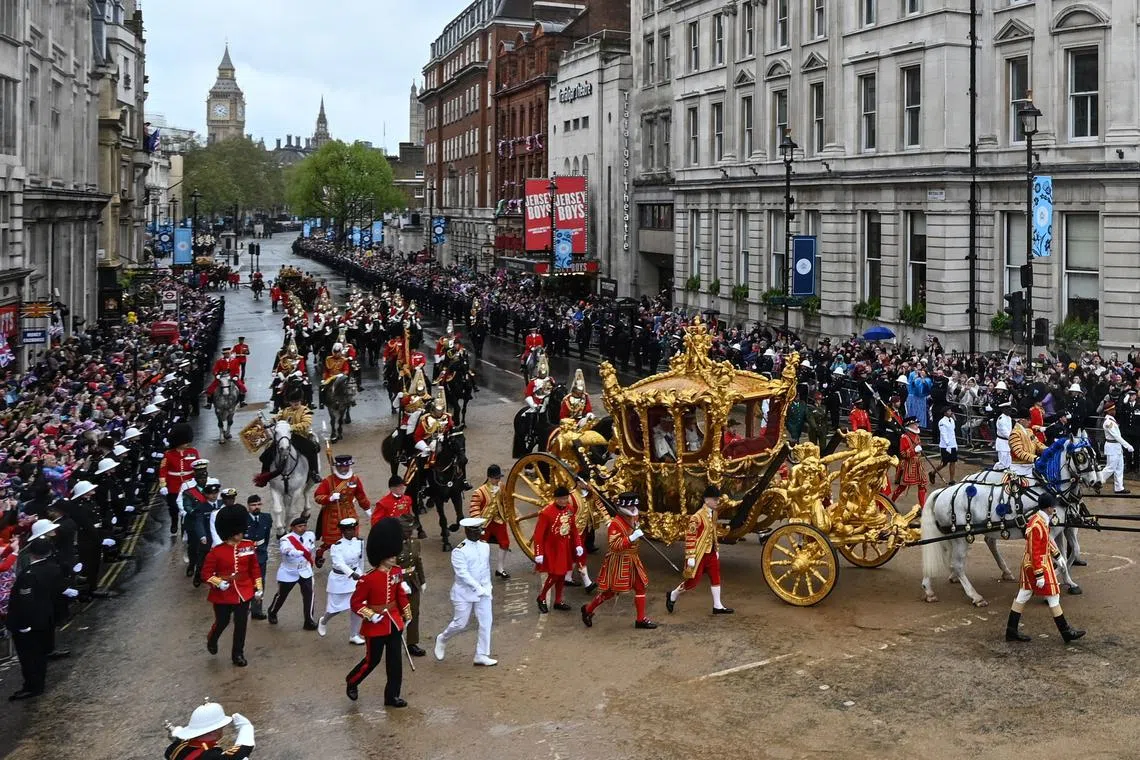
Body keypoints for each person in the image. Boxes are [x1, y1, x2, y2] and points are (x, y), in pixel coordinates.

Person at [345, 517, 411, 706]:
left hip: (394, 622)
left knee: (395, 663)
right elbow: (356, 603)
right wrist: (371, 615)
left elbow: (400, 595)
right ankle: (352, 680)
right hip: (376, 625)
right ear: (381, 556)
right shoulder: (368, 579)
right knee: (372, 660)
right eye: (390, 556)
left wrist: (406, 614)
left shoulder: (396, 572)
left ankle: (392, 696)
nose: (394, 558)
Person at [1004, 493, 1086, 644]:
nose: (1054, 509)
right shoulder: (1037, 524)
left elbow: (1046, 542)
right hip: (1038, 565)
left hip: (1036, 564)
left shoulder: (1040, 520)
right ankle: (1065, 631)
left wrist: (1058, 556)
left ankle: (1011, 630)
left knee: (1023, 595)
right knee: (1053, 595)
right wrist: (1040, 575)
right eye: (1052, 507)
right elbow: (1035, 551)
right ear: (1049, 508)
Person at [6, 521, 75, 700]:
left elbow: (26, 601)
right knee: (40, 654)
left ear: (31, 553)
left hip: (31, 623)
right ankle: (38, 683)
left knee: (30, 657)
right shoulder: (52, 567)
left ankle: (33, 686)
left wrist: (23, 624)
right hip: (45, 617)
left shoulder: (29, 575)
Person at [581, 492, 656, 630]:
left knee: (640, 587)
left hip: (632, 558)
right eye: (631, 505)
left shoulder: (634, 517)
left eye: (635, 505)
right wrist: (631, 538)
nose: (634, 508)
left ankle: (640, 619)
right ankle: (588, 609)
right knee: (609, 592)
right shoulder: (615, 524)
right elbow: (615, 546)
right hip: (619, 561)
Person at [201, 505, 262, 667]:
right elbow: (206, 574)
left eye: (241, 532)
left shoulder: (248, 546)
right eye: (236, 533)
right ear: (229, 533)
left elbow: (254, 569)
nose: (240, 535)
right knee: (223, 621)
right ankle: (212, 638)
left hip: (244, 591)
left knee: (241, 624)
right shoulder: (216, 552)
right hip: (223, 595)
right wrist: (218, 582)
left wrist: (258, 588)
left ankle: (238, 654)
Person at [434, 516, 496, 666]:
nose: (477, 533)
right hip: (464, 593)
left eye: (478, 529)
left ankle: (481, 654)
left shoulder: (484, 546)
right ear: (467, 532)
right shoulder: (459, 551)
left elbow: (485, 568)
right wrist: (478, 588)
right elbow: (463, 574)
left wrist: (488, 587)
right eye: (473, 530)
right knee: (460, 623)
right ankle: (442, 638)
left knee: (486, 622)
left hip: (484, 591)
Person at [666, 485, 734, 615]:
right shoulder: (696, 517)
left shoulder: (713, 513)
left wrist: (716, 548)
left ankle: (717, 605)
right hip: (699, 553)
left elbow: (713, 531)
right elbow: (690, 537)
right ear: (706, 500)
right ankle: (673, 594)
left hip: (711, 551)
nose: (717, 502)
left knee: (716, 576)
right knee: (693, 581)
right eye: (715, 499)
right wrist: (691, 556)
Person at [532, 486, 584, 614]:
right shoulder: (546, 513)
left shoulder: (570, 510)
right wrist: (539, 553)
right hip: (552, 549)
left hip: (564, 546)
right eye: (561, 499)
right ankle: (542, 596)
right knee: (556, 574)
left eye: (566, 498)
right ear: (555, 499)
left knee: (562, 574)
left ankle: (558, 600)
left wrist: (578, 544)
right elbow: (538, 535)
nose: (564, 501)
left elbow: (574, 529)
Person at [313, 454, 371, 565]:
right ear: (337, 467)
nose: (344, 469)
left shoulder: (354, 479)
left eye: (346, 467)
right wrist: (329, 497)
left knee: (352, 538)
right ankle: (320, 552)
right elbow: (317, 496)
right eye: (342, 467)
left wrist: (368, 510)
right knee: (333, 541)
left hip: (349, 512)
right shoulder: (328, 481)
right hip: (332, 514)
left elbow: (361, 496)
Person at [256, 389, 321, 485]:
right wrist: (269, 423)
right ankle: (264, 475)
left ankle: (314, 472)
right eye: (293, 401)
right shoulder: (285, 410)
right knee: (267, 453)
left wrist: (290, 427)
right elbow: (276, 418)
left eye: (297, 401)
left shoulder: (305, 411)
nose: (296, 403)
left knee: (312, 448)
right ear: (289, 402)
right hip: (284, 436)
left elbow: (306, 423)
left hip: (299, 436)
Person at [318, 517, 366, 644]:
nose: (351, 532)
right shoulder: (336, 546)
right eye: (348, 530)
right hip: (340, 580)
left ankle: (354, 634)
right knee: (336, 608)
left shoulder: (359, 542)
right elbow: (339, 563)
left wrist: (361, 574)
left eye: (353, 529)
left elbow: (361, 560)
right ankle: (324, 620)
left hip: (356, 578)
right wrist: (352, 574)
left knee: (357, 607)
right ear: (343, 532)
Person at [266, 516, 318, 630]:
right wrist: (295, 552)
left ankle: (308, 621)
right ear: (293, 527)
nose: (303, 528)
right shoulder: (286, 539)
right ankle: (272, 611)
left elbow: (312, 549)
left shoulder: (310, 535)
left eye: (304, 526)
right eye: (300, 526)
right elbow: (285, 550)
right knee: (281, 595)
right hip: (289, 571)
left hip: (305, 570)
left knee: (309, 595)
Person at [165, 701, 255, 759]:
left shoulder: (176, 747)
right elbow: (241, 752)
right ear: (214, 731)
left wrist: (180, 734)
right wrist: (246, 727)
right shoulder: (211, 755)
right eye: (221, 727)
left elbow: (171, 750)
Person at [469, 464, 511, 578]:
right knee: (482, 547)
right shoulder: (479, 492)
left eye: (499, 478)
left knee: (505, 543)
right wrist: (477, 523)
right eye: (496, 478)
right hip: (484, 523)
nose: (498, 480)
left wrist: (506, 516)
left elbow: (505, 502)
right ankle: (482, 569)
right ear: (489, 478)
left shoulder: (502, 487)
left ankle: (500, 568)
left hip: (498, 519)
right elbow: (474, 508)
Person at [395, 513, 427, 657]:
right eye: (406, 531)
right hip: (398, 583)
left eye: (411, 530)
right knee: (398, 613)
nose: (409, 533)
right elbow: (391, 567)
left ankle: (412, 642)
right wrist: (399, 582)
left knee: (414, 611)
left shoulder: (415, 543)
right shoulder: (393, 545)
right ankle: (394, 641)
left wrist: (423, 580)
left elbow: (418, 562)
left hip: (413, 582)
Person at [159, 423, 199, 535]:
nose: (187, 443)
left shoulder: (193, 452)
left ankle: (185, 525)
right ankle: (174, 521)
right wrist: (163, 485)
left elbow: (198, 467)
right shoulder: (168, 454)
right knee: (173, 507)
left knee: (188, 506)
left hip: (189, 483)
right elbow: (163, 470)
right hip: (174, 485)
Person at [244, 495, 272, 620]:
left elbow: (266, 536)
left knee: (259, 582)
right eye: (253, 505)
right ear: (248, 506)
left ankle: (257, 609)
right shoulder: (242, 519)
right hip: (245, 554)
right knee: (244, 581)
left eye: (259, 504)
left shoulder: (266, 518)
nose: (256, 507)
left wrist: (263, 550)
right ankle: (242, 608)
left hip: (260, 554)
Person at [891, 417, 927, 507]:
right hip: (908, 465)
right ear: (909, 425)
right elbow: (903, 453)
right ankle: (891, 502)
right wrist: (914, 451)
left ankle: (923, 507)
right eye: (915, 424)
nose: (917, 426)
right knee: (903, 486)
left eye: (916, 424)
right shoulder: (904, 438)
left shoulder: (917, 436)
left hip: (918, 464)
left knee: (922, 485)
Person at [1009, 412, 1046, 478]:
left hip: (1031, 465)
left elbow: (1038, 445)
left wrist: (1050, 450)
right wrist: (1035, 458)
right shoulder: (1014, 433)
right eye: (1028, 419)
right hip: (1019, 468)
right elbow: (1019, 452)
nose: (1030, 421)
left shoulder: (1029, 431)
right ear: (1021, 420)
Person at [930, 406, 958, 484]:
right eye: (949, 411)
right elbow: (943, 433)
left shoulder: (951, 420)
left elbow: (953, 431)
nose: (950, 412)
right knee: (944, 463)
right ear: (945, 413)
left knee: (953, 462)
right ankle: (933, 473)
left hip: (952, 444)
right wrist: (947, 444)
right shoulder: (942, 422)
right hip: (945, 446)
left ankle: (951, 479)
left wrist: (954, 444)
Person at [320, 343, 353, 409]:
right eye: (335, 352)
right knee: (322, 388)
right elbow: (325, 370)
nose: (336, 354)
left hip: (340, 377)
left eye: (338, 352)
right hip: (330, 377)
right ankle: (321, 402)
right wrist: (324, 378)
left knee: (348, 387)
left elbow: (346, 370)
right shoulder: (328, 359)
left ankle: (350, 400)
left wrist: (342, 374)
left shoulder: (344, 360)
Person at [994, 401, 1013, 470]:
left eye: (1010, 409)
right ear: (1004, 410)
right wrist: (1013, 438)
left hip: (1008, 442)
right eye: (1008, 410)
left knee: (1009, 460)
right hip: (1002, 442)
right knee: (1002, 461)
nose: (1010, 411)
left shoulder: (1009, 418)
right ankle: (996, 470)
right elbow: (1005, 432)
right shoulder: (1001, 419)